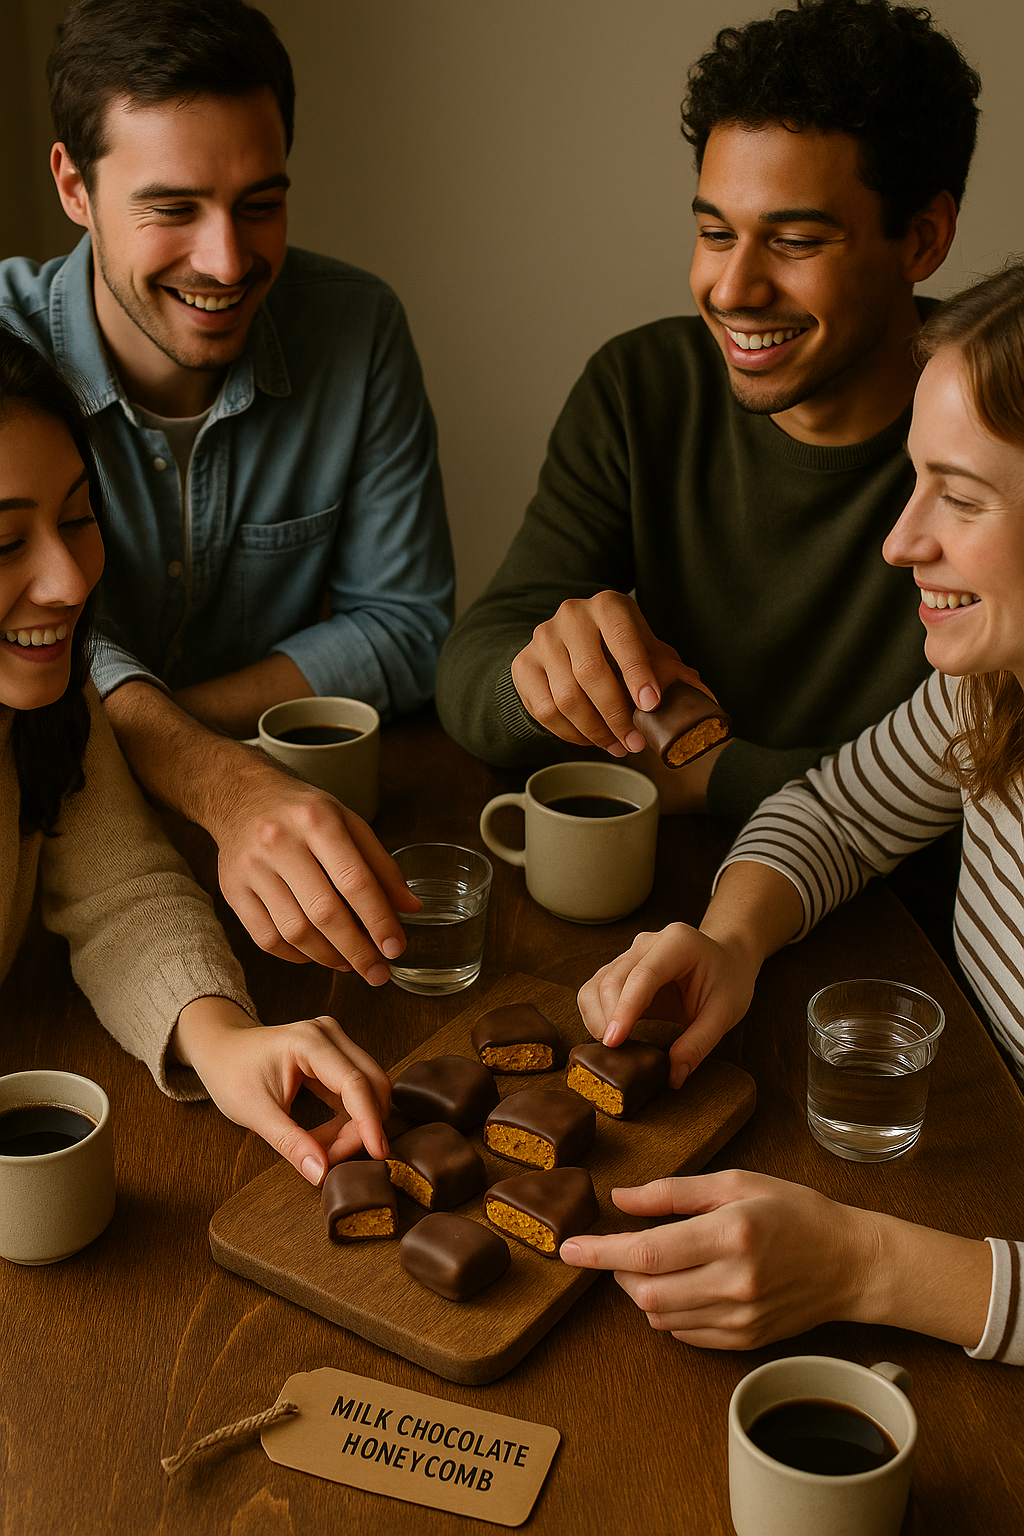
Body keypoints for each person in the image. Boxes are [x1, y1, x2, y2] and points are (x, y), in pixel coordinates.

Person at [560, 264, 1024, 1366]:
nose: (900, 541)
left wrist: (867, 1267)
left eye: (959, 498)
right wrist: (729, 940)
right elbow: (836, 813)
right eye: (914, 484)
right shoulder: (989, 686)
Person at [434, 0, 980, 828]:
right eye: (716, 233)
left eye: (794, 242)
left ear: (923, 239)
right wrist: (543, 676)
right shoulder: (642, 385)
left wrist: (712, 773)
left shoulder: (999, 426)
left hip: (899, 940)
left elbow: (980, 798)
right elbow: (474, 671)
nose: (731, 290)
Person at [0, 0, 455, 985]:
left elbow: (411, 625)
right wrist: (219, 776)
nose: (228, 261)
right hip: (42, 878)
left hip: (289, 845)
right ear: (74, 187)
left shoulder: (359, 327)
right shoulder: (2, 348)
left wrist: (167, 733)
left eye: (260, 203)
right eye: (173, 208)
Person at [0, 322, 392, 1186]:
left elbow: (119, 897)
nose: (69, 582)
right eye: (5, 544)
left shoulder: (54, 704)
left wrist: (223, 1041)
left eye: (77, 517)